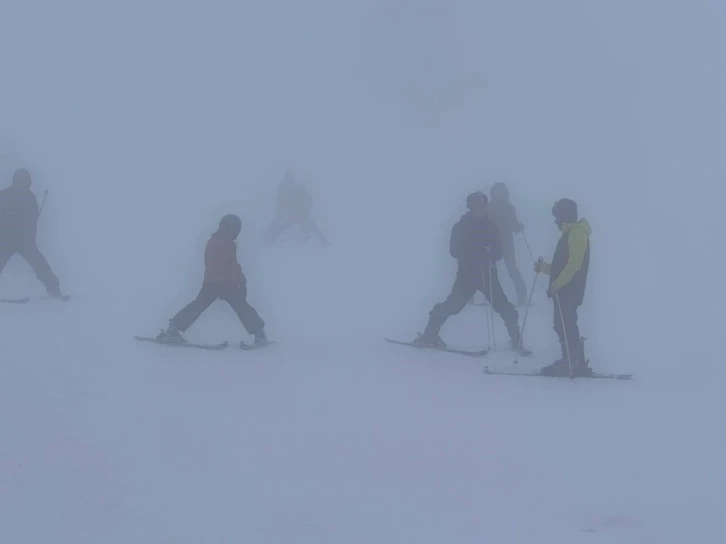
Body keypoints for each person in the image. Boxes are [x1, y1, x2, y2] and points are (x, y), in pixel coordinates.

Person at [415, 191, 527, 352]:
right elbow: (454, 251)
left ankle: (517, 341)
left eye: (482, 207)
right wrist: (476, 251)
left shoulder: (491, 226)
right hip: (466, 275)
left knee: (503, 306)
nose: (480, 211)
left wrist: (490, 255)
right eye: (476, 208)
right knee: (452, 306)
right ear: (470, 208)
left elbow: (499, 252)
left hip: (488, 274)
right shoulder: (461, 226)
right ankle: (429, 335)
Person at [157, 214, 268, 347]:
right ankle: (259, 334)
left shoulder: (218, 240)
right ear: (233, 228)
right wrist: (239, 282)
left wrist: (238, 280)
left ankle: (173, 329)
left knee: (200, 305)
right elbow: (229, 266)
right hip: (222, 283)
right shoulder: (224, 243)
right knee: (241, 307)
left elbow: (229, 266)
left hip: (215, 282)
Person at [534, 198, 592, 376]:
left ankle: (571, 361)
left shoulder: (577, 234)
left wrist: (557, 285)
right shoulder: (570, 234)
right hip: (565, 289)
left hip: (569, 289)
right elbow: (562, 267)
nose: (555, 221)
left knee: (565, 323)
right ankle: (574, 360)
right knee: (562, 324)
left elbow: (574, 264)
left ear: (564, 216)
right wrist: (544, 269)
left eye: (557, 216)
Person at [0, 168, 62, 297]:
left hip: (24, 240)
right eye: (19, 180)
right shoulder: (5, 195)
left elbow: (32, 220)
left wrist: (30, 238)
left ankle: (54, 287)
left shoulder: (30, 197)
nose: (21, 183)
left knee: (39, 263)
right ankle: (53, 287)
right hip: (6, 239)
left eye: (24, 180)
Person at [486, 182, 527, 306]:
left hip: (502, 243)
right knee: (491, 268)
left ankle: (522, 296)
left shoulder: (502, 207)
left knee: (509, 268)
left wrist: (517, 226)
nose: (501, 195)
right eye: (499, 192)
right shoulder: (492, 207)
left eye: (502, 192)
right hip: (494, 242)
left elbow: (513, 223)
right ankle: (490, 295)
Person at [264, 170, 329, 247]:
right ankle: (325, 243)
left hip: (294, 215)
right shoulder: (295, 190)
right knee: (314, 228)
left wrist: (285, 210)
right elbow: (309, 203)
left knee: (282, 228)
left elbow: (287, 202)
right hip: (299, 216)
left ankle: (269, 242)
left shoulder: (290, 189)